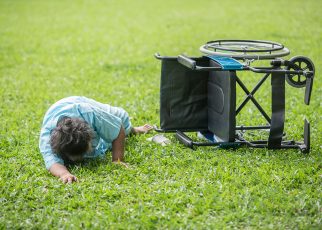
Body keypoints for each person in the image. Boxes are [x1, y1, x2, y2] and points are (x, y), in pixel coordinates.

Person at [39, 96, 153, 183]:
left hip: (82, 104)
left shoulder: (91, 113)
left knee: (122, 120)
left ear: (91, 136)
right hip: (59, 107)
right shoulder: (47, 137)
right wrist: (64, 174)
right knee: (108, 142)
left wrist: (118, 160)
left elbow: (118, 129)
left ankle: (133, 130)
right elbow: (51, 161)